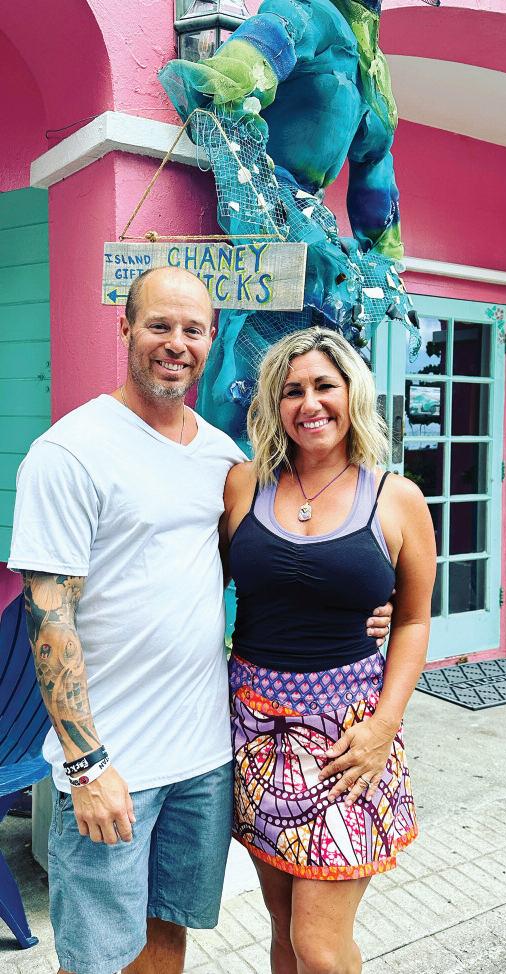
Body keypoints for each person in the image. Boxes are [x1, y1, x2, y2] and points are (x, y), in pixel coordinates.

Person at [7, 267, 391, 974]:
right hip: (113, 763)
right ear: (125, 328)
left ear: (212, 339)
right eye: (159, 325)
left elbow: (265, 566)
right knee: (97, 960)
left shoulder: (223, 459)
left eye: (192, 329)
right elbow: (48, 616)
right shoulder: (70, 453)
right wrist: (87, 764)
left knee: (166, 943)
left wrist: (365, 602)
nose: (175, 343)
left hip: (205, 759)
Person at [221, 328, 436, 974]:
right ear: (274, 403)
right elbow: (198, 581)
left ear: (352, 394)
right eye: (292, 390)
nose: (309, 403)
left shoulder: (397, 498)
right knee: (284, 929)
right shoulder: (243, 485)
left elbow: (414, 619)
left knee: (318, 945)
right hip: (253, 732)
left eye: (324, 386)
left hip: (349, 740)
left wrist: (384, 726)